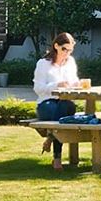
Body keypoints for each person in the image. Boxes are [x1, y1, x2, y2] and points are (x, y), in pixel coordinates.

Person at [33, 32, 81, 171]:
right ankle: (57, 157)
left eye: (70, 50)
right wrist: (56, 85)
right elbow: (38, 88)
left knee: (68, 107)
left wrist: (77, 83)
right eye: (64, 49)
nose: (67, 53)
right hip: (46, 103)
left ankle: (51, 137)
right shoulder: (43, 64)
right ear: (56, 46)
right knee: (58, 115)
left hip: (64, 102)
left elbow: (73, 81)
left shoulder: (70, 62)